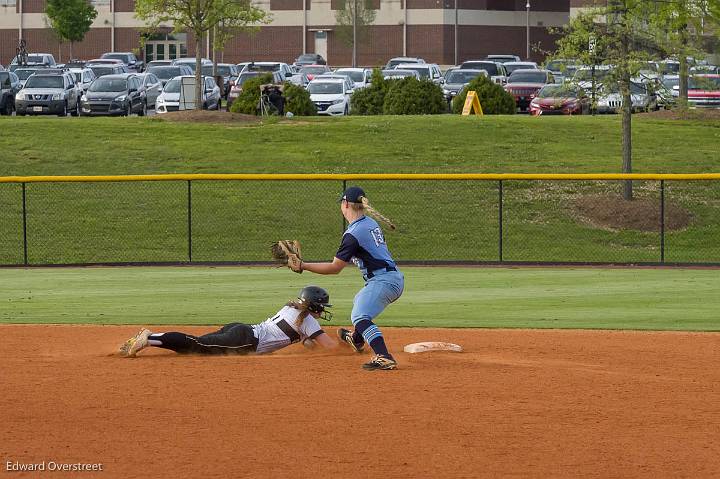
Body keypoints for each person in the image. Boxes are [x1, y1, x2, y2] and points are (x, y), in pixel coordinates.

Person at [290, 186, 403, 371]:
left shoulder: (353, 234)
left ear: (345, 204)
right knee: (360, 301)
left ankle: (384, 356)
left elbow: (335, 267)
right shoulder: (370, 223)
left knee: (360, 315)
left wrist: (303, 265)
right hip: (391, 278)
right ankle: (356, 339)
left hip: (384, 281)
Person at [118, 286, 337, 358]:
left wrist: (307, 341)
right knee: (198, 346)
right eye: (322, 306)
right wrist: (347, 340)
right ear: (314, 305)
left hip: (241, 329)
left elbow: (304, 340)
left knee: (198, 346)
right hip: (245, 340)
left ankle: (152, 339)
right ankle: (149, 338)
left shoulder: (293, 308)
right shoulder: (309, 322)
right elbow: (331, 348)